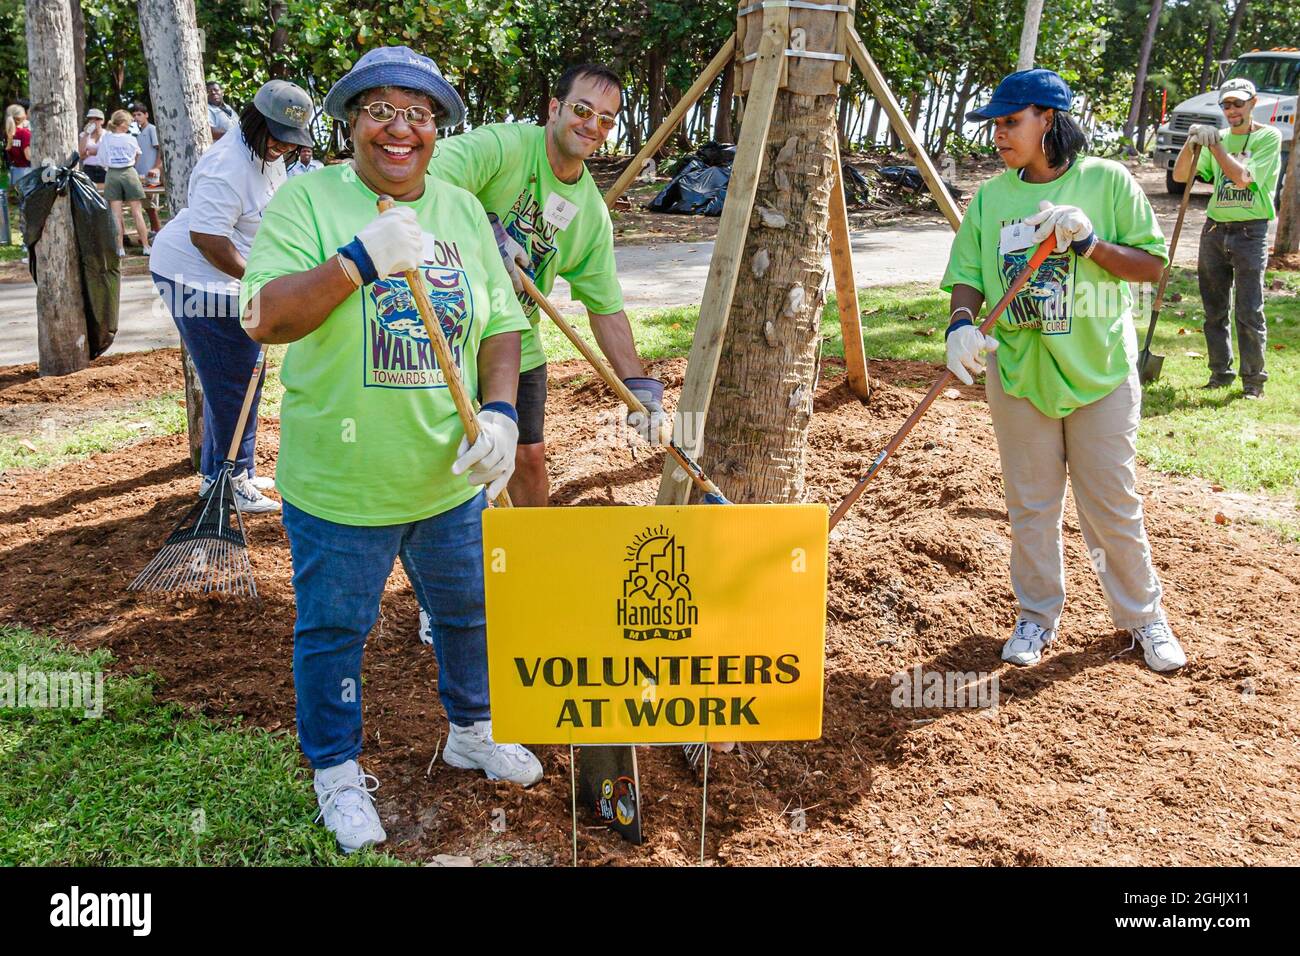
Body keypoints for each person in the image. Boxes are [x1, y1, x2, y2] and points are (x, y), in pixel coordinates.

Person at [239, 46, 541, 854]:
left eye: (420, 114)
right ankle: (336, 770)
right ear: (350, 123)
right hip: (340, 487)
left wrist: (503, 413)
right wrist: (357, 261)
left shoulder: (459, 208)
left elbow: (502, 325)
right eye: (381, 110)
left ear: (437, 130)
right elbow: (264, 317)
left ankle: (472, 730)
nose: (400, 129)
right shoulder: (308, 200)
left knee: (468, 615)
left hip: (447, 482)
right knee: (335, 631)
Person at [940, 69, 1187, 674]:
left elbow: (1152, 267)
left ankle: (1140, 616)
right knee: (1031, 505)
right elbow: (968, 273)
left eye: (1010, 122)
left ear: (1048, 119)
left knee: (1110, 505)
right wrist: (960, 324)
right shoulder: (992, 197)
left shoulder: (1107, 180)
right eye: (995, 124)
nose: (998, 135)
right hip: (1021, 374)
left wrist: (1089, 243)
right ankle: (1036, 614)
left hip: (1098, 373)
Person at [417, 63, 661, 641]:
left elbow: (604, 306)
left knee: (527, 458)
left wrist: (640, 387)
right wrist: (488, 230)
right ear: (554, 108)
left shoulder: (590, 214)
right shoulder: (504, 146)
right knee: (449, 471)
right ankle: (441, 596)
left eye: (606, 119)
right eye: (582, 109)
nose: (592, 124)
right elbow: (429, 173)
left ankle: (533, 571)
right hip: (448, 332)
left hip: (516, 341)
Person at [149, 80, 313, 514]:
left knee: (248, 373)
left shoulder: (267, 155)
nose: (281, 145)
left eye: (289, 139)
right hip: (194, 278)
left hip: (234, 281)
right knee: (231, 379)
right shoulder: (228, 166)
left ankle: (227, 471)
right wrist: (258, 279)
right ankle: (227, 479)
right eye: (276, 134)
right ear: (254, 120)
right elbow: (208, 239)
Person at [1172, 77, 1283, 400]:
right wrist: (1191, 144)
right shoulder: (1215, 137)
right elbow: (1182, 176)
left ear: (1252, 102)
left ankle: (1253, 381)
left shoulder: (1267, 137)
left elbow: (1243, 178)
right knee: (1214, 310)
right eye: (1226, 104)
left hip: (1251, 230)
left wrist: (1215, 146)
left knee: (1249, 310)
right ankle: (1220, 373)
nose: (1232, 110)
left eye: (1238, 103)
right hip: (1214, 229)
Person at [99, 109, 152, 257]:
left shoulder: (106, 139)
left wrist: (110, 166)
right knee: (137, 212)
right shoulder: (130, 139)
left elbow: (101, 159)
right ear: (122, 124)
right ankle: (146, 246)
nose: (130, 125)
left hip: (112, 174)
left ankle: (119, 248)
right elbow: (137, 156)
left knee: (116, 214)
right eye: (128, 122)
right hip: (129, 172)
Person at [130, 102, 163, 233]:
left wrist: (156, 168)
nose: (136, 117)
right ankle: (153, 231)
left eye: (139, 114)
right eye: (134, 115)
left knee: (151, 205)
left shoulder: (151, 129)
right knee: (146, 205)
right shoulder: (135, 132)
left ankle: (157, 231)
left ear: (146, 115)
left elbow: (160, 150)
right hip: (140, 174)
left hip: (151, 174)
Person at [5, 104, 33, 236]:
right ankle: (27, 235)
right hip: (26, 172)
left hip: (15, 172)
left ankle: (23, 234)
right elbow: (28, 155)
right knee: (28, 206)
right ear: (23, 117)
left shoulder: (10, 132)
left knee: (21, 205)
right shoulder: (25, 133)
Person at [78, 108, 107, 184]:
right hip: (88, 169)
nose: (93, 121)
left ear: (102, 121)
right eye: (91, 119)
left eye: (97, 119)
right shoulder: (84, 135)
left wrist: (92, 152)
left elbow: (109, 152)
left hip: (104, 169)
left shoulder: (107, 135)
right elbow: (81, 155)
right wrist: (86, 133)